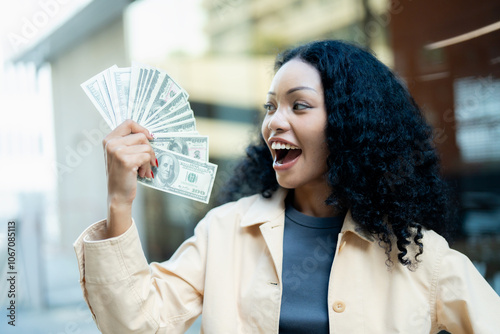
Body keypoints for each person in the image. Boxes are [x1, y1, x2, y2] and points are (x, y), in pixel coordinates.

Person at [74, 40, 500, 333]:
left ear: (352, 125)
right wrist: (119, 201)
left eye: (299, 105)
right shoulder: (223, 232)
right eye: (270, 107)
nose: (274, 122)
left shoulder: (420, 256)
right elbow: (137, 323)